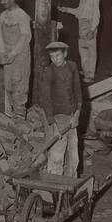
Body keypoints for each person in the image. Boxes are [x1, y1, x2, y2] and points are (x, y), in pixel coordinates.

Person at [40, 41, 82, 178]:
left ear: (65, 53)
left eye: (58, 55)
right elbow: (45, 99)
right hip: (57, 118)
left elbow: (78, 92)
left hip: (72, 117)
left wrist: (77, 114)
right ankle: (54, 186)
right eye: (52, 56)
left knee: (73, 156)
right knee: (57, 156)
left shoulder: (72, 67)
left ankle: (71, 184)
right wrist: (53, 125)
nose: (55, 59)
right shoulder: (49, 72)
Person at [0, 0, 32, 118]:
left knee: (19, 87)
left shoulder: (22, 16)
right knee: (9, 86)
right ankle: (11, 116)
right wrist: (2, 52)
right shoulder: (3, 15)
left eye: (5, 0)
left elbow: (25, 37)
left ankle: (20, 116)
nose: (2, 2)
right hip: (7, 55)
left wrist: (13, 53)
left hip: (20, 55)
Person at [60, 0, 101, 83]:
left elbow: (96, 15)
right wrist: (66, 9)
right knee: (83, 49)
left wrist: (92, 30)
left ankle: (90, 75)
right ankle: (86, 69)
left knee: (91, 49)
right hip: (81, 24)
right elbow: (79, 11)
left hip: (89, 24)